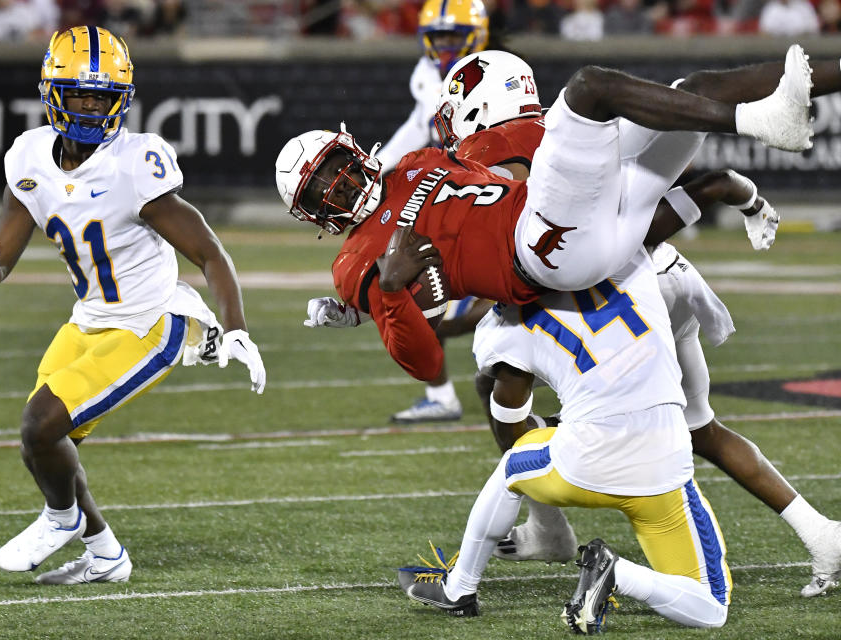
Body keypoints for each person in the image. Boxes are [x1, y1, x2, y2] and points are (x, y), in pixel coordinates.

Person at [433, 49, 841, 596]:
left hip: (606, 283)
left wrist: (413, 305)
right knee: (700, 429)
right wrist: (752, 202)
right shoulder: (572, 136)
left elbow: (512, 275)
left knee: (501, 377)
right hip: (659, 273)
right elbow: (712, 183)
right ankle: (821, 535)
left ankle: (546, 526)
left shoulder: (512, 157)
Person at [276, 44, 813, 387]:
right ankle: (789, 100)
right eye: (322, 186)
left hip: (579, 269)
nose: (339, 185)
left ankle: (545, 511)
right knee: (691, 90)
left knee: (501, 381)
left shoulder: (468, 153)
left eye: (337, 169)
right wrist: (371, 301)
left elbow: (493, 242)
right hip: (643, 250)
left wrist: (380, 301)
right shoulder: (500, 142)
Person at [0, 26, 266, 585]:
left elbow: (208, 251)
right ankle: (105, 554)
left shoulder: (133, 163)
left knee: (40, 426)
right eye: (80, 93)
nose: (91, 106)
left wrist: (237, 328)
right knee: (46, 445)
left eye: (102, 96)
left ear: (120, 99)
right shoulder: (30, 156)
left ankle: (61, 519)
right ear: (53, 91)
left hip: (150, 322)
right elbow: (1, 262)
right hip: (91, 318)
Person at [398, 247, 732, 632]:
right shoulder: (629, 261)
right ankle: (618, 573)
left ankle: (459, 589)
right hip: (666, 461)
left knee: (512, 465)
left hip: (584, 463)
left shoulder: (503, 326)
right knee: (710, 607)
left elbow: (509, 421)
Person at [374, 0, 490, 424]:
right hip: (452, 194)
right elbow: (418, 126)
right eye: (437, 37)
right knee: (412, 294)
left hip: (489, 190)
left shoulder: (490, 72)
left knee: (434, 302)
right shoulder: (426, 75)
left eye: (453, 37)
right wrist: (380, 167)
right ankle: (441, 395)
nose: (444, 46)